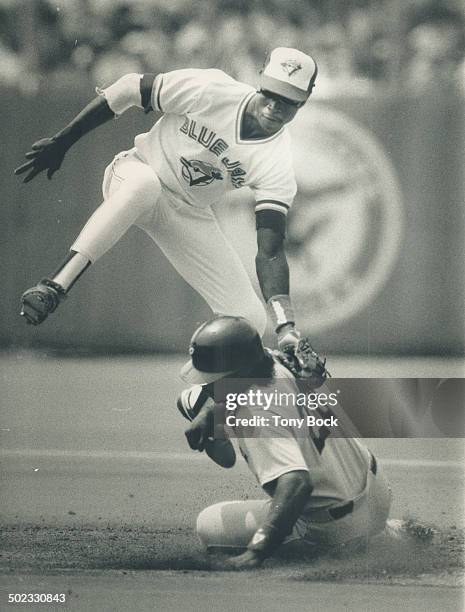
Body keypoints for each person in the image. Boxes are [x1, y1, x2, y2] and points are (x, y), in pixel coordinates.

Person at [14, 47, 318, 352]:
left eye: (288, 101)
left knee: (250, 321)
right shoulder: (213, 90)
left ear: (304, 100)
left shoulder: (277, 162)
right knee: (145, 185)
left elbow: (271, 252)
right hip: (137, 171)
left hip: (187, 211)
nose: (274, 108)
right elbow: (129, 88)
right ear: (260, 80)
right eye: (271, 94)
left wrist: (286, 327)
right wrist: (63, 141)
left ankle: (199, 397)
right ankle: (55, 286)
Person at [180, 316, 392, 569]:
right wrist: (209, 412)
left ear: (233, 374)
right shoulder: (277, 360)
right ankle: (388, 534)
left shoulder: (255, 413)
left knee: (209, 522)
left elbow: (297, 483)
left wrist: (258, 549)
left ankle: (351, 545)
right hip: (377, 490)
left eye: (211, 378)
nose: (207, 384)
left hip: (334, 528)